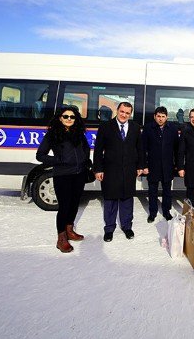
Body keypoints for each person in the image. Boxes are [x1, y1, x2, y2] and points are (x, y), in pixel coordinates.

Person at [36, 105, 90, 253]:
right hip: (63, 175)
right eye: (66, 116)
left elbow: (85, 149)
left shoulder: (78, 133)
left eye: (72, 117)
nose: (69, 119)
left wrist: (86, 161)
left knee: (74, 204)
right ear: (60, 118)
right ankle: (61, 238)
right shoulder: (53, 134)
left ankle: (70, 230)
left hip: (79, 174)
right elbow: (40, 155)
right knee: (64, 206)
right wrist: (58, 160)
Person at [93, 102, 144, 242]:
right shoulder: (105, 126)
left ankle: (127, 226)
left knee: (127, 198)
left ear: (130, 114)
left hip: (129, 169)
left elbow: (139, 149)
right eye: (122, 111)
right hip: (110, 169)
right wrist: (98, 169)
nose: (124, 115)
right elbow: (98, 150)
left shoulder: (135, 127)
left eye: (127, 113)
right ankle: (109, 228)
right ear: (117, 110)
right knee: (110, 199)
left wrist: (140, 166)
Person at [141, 106, 178, 222]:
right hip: (153, 166)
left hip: (168, 166)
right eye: (158, 116)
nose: (161, 119)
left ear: (166, 117)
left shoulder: (172, 128)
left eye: (163, 116)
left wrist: (177, 164)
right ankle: (153, 212)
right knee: (152, 191)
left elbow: (176, 148)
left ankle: (166, 211)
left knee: (167, 191)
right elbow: (142, 149)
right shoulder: (148, 128)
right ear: (154, 117)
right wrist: (144, 165)